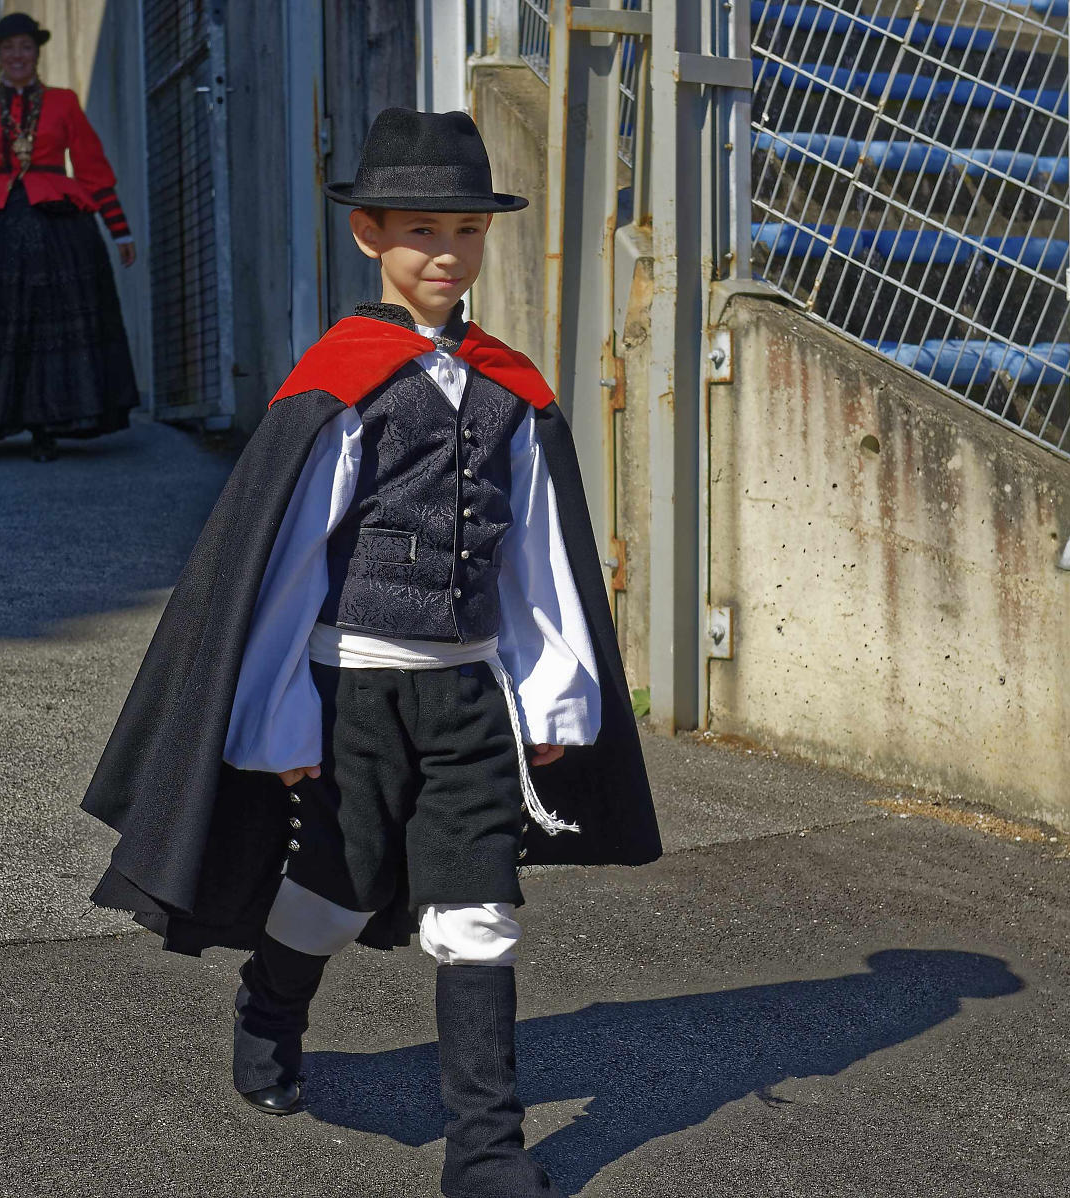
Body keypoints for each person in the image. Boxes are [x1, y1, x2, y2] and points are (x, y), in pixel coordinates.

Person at [80, 108, 661, 1198]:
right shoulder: (344, 381)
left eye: (467, 232)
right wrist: (279, 719)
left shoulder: (512, 390)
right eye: (422, 231)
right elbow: (288, 564)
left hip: (470, 699)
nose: (446, 253)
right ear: (371, 239)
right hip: (353, 694)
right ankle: (272, 998)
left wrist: (549, 699)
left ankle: (486, 1151)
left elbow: (535, 556)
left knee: (476, 912)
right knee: (333, 896)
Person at [0, 11, 138, 462]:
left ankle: (47, 426)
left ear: (37, 53)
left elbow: (93, 168)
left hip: (57, 226)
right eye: (10, 47)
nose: (18, 55)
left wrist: (119, 230)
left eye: (26, 47)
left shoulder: (64, 102)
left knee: (51, 324)